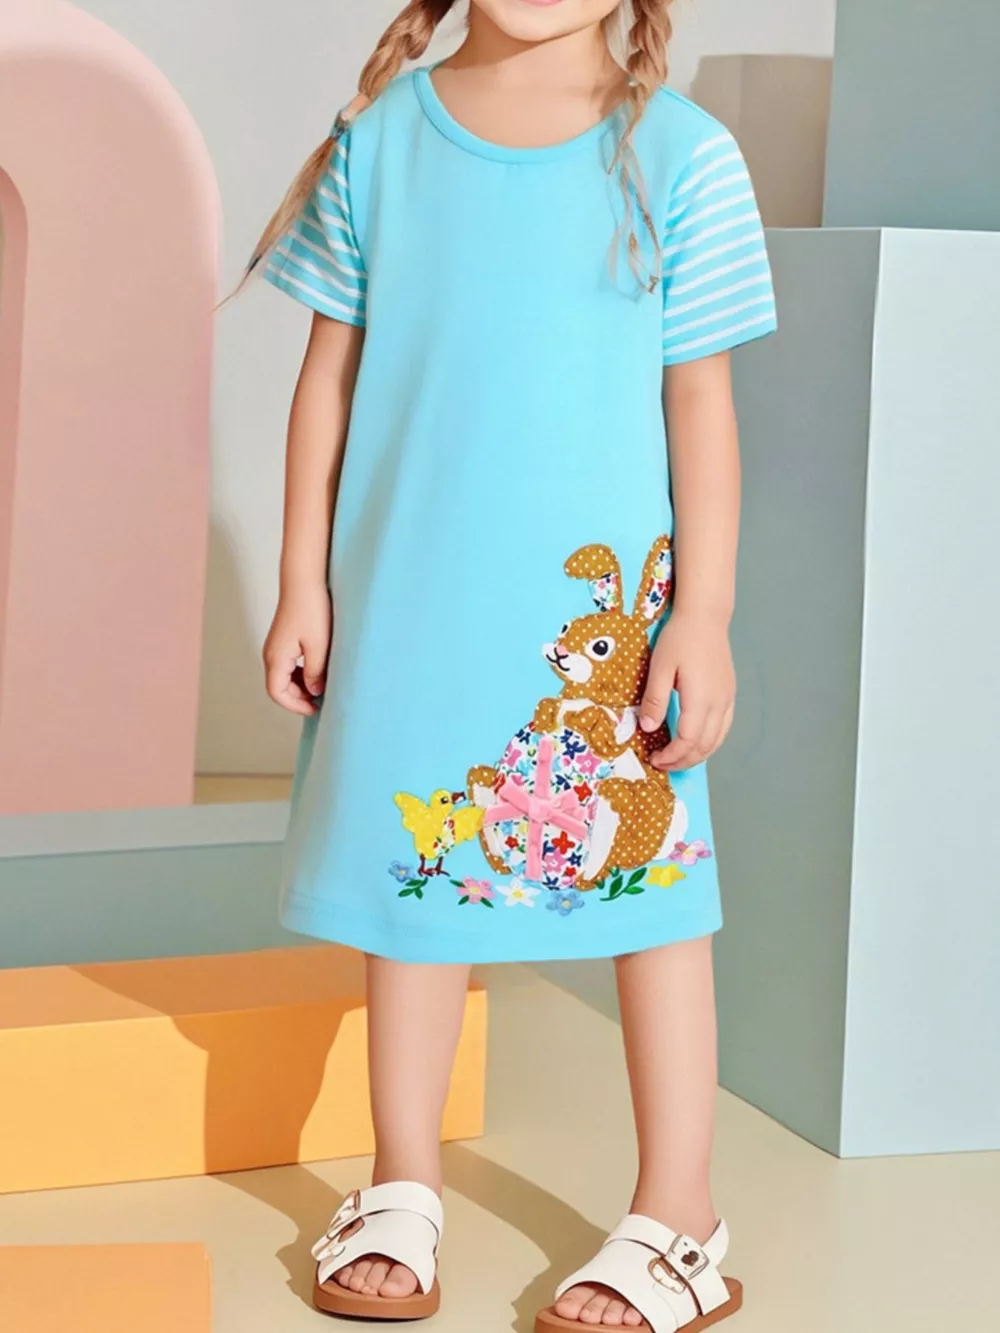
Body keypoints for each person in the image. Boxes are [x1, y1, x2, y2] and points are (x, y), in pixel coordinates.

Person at [251, 1, 776, 1327]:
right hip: (412, 591)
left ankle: (681, 1213)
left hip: (602, 624)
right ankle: (402, 1179)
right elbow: (329, 379)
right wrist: (303, 579)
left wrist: (703, 614)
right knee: (421, 877)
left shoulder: (687, 155)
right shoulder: (379, 143)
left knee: (653, 901)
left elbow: (701, 402)